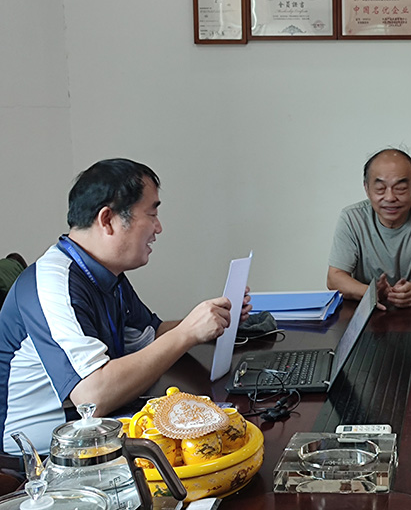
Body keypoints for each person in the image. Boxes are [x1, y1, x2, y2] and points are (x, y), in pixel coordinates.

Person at [0, 159, 251, 452]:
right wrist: (187, 333)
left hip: (97, 433)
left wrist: (209, 321)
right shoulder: (53, 283)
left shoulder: (104, 273)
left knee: (227, 427)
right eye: (152, 213)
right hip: (40, 458)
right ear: (108, 220)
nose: (159, 227)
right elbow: (92, 397)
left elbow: (151, 335)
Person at [327, 148, 411, 310]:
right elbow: (334, 278)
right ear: (367, 189)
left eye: (400, 188)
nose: (390, 197)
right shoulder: (352, 218)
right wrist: (372, 294)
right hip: (368, 312)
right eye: (380, 188)